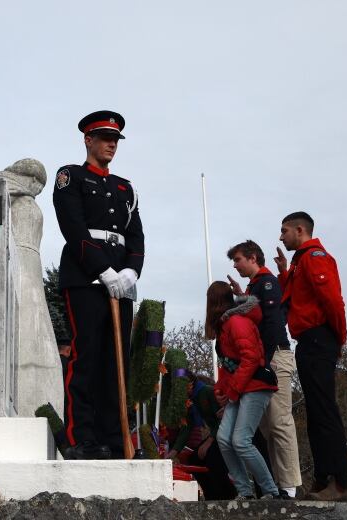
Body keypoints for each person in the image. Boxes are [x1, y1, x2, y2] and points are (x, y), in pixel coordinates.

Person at [52, 110, 145, 459]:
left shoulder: (125, 187)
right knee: (86, 358)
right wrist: (102, 269)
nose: (111, 144)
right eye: (105, 137)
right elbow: (72, 227)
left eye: (116, 139)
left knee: (115, 363)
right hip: (85, 278)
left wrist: (131, 271)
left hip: (120, 282)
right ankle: (83, 438)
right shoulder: (70, 176)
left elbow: (136, 236)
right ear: (88, 140)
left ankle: (115, 437)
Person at [275, 211, 347, 500]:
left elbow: (332, 300)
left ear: (300, 229)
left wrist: (338, 338)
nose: (281, 236)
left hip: (319, 337)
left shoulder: (315, 256)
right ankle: (322, 479)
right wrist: (284, 272)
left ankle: (338, 482)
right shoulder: (299, 261)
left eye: (285, 231)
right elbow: (297, 297)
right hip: (308, 340)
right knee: (316, 412)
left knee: (325, 411)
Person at [227, 240, 301, 498]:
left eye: (237, 260)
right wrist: (242, 296)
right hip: (267, 359)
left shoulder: (267, 283)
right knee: (269, 426)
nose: (235, 265)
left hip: (275, 356)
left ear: (252, 257)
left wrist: (264, 363)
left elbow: (268, 323)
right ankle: (281, 486)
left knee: (280, 422)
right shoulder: (257, 285)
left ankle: (289, 487)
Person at [206, 281, 283, 500]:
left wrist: (231, 392)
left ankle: (270, 491)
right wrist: (221, 389)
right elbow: (228, 364)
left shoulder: (237, 322)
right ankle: (245, 491)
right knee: (224, 438)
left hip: (256, 385)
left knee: (241, 440)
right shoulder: (226, 325)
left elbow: (250, 358)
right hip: (242, 387)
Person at [164, 372, 237, 500]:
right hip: (217, 434)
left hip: (226, 433)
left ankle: (228, 495)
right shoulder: (190, 399)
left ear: (190, 384)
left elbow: (223, 419)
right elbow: (187, 426)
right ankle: (211, 495)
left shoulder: (207, 392)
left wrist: (209, 441)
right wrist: (174, 451)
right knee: (194, 459)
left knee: (212, 458)